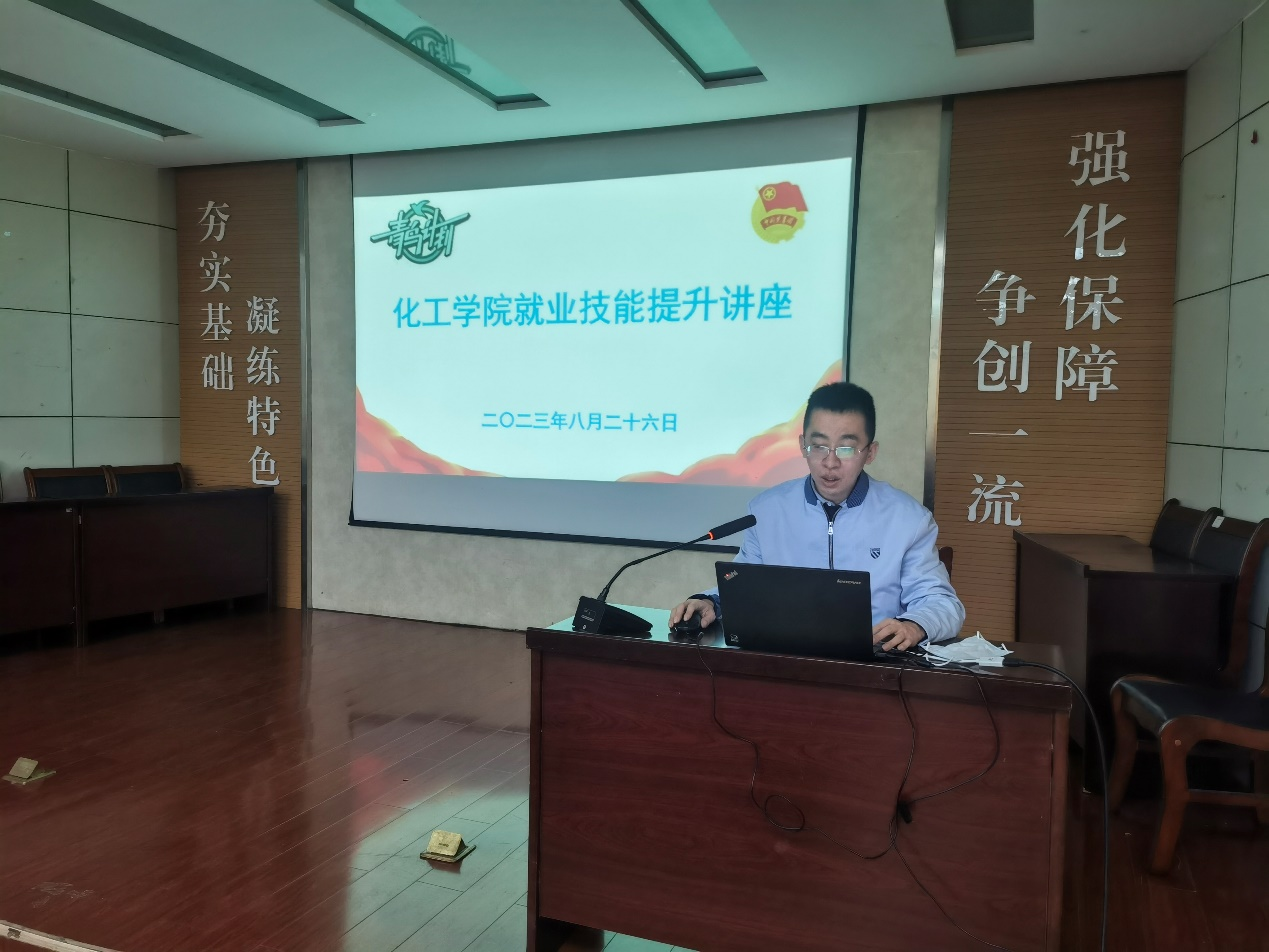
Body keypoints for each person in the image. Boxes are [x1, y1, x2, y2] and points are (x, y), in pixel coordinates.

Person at [670, 382, 964, 649]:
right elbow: (744, 584)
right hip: (782, 658)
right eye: (819, 446)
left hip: (874, 665)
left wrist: (914, 626)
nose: (830, 462)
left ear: (870, 452)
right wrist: (710, 602)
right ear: (802, 446)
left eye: (846, 448)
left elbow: (942, 603)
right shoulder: (767, 510)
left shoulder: (908, 519)